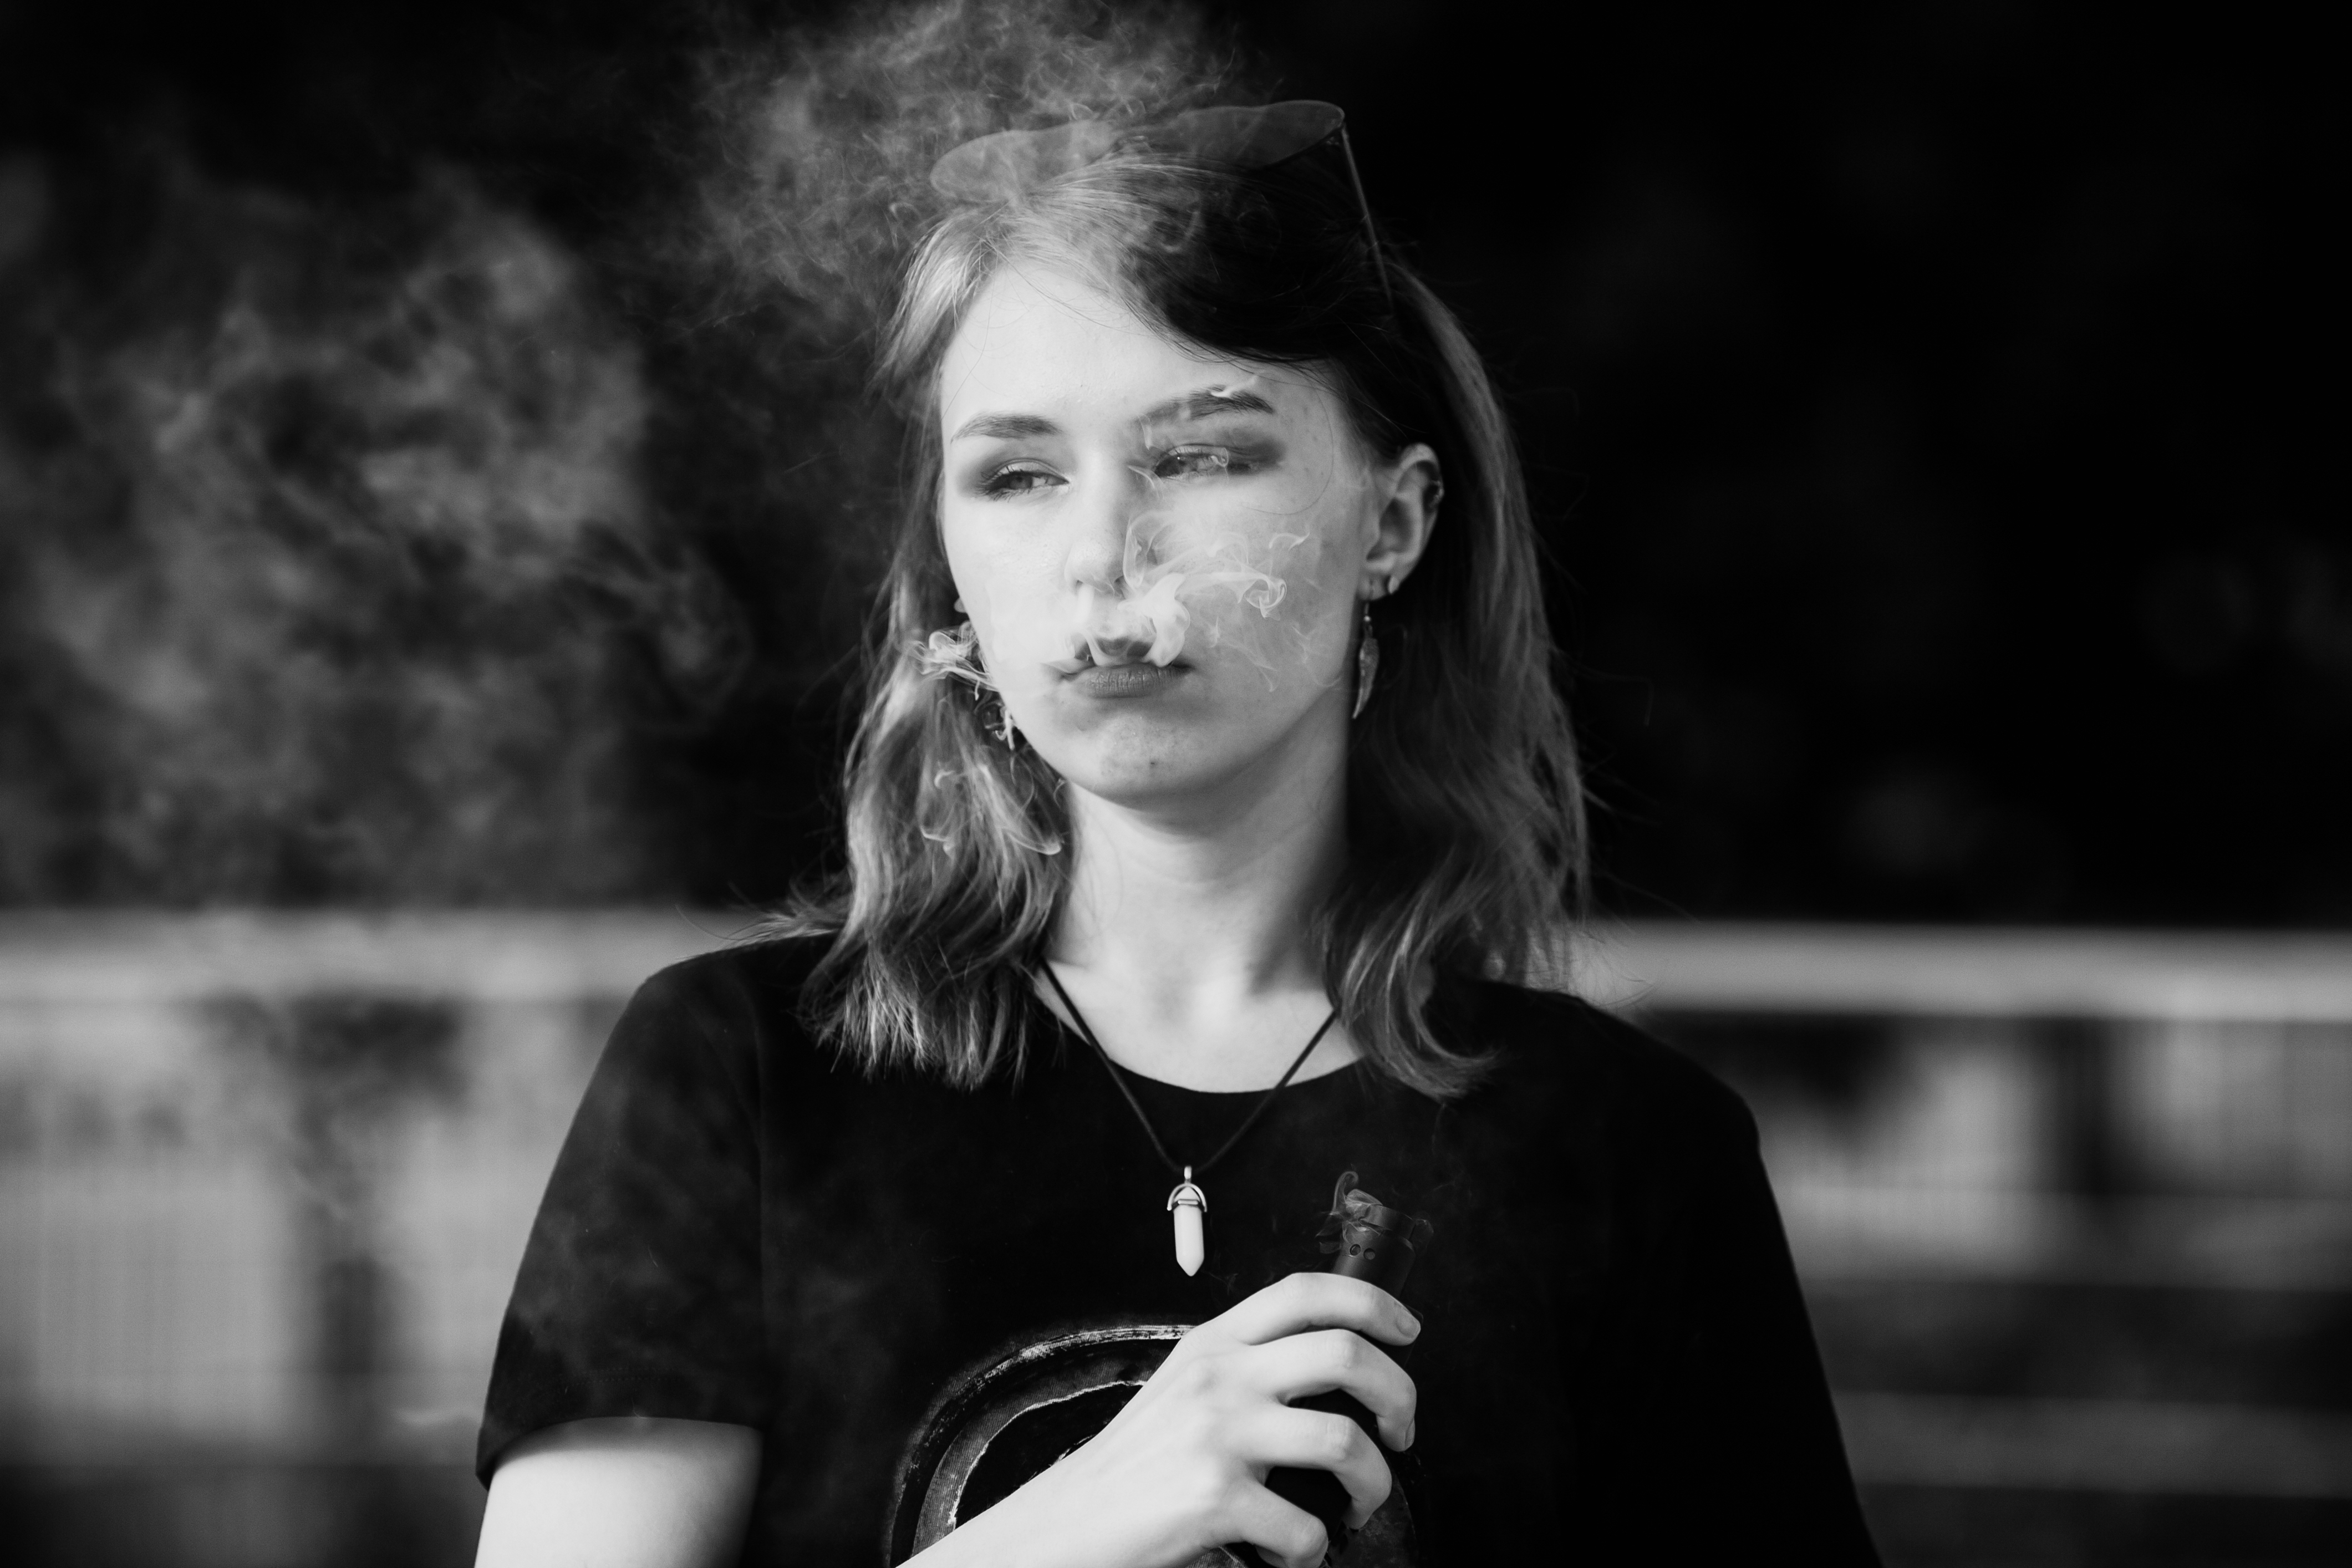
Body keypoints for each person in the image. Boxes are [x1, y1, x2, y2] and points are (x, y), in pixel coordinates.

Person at [472, 100, 1878, 1568]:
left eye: (1202, 456)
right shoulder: (741, 1079)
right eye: (1018, 474)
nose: (1100, 554)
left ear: (1390, 526)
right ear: (951, 569)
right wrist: (1063, 1532)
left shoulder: (1627, 1154)